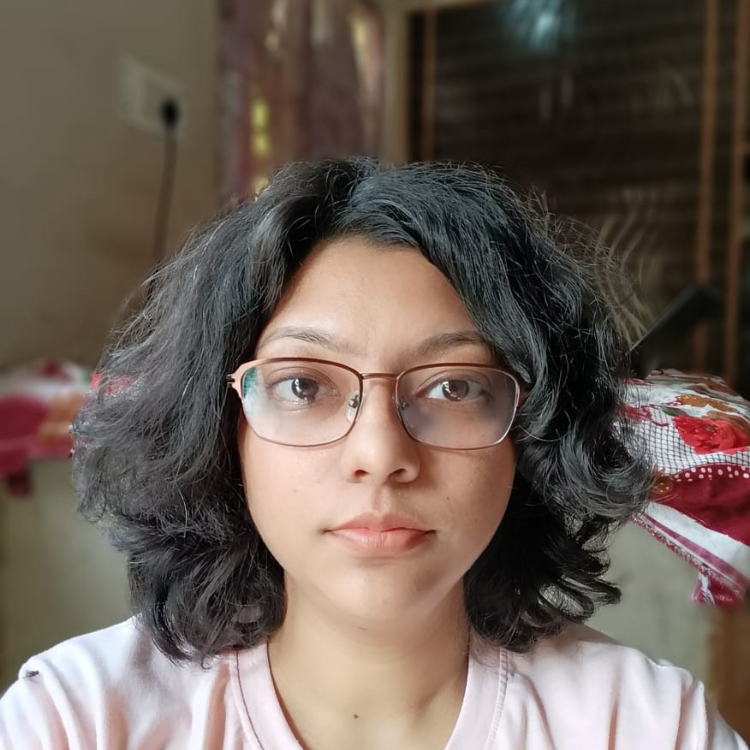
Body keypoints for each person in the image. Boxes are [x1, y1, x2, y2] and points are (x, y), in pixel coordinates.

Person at [0, 158, 746, 749]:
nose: (381, 453)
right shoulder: (77, 721)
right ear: (224, 429)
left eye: (454, 386)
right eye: (303, 385)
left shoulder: (645, 726)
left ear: (530, 432)